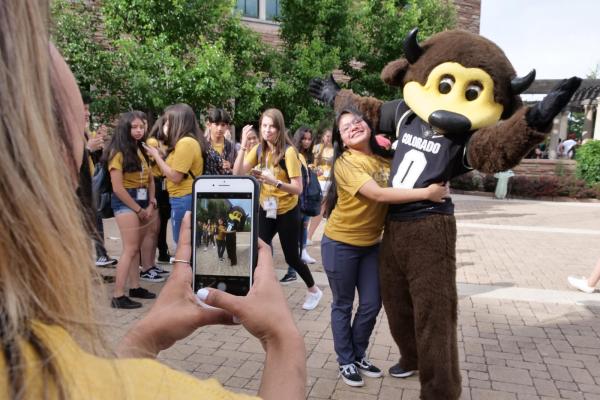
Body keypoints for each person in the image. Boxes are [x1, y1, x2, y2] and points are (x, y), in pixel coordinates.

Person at [0, 2, 306, 398]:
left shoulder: (185, 146)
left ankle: (131, 290)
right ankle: (125, 291)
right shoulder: (133, 389)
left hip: (180, 204)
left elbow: (176, 176)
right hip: (165, 205)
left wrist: (142, 341)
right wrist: (284, 339)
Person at [322, 109, 448, 387]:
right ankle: (346, 361)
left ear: (367, 125)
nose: (353, 127)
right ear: (342, 140)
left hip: (370, 245)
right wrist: (427, 194)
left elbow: (413, 174)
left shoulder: (385, 158)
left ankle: (357, 354)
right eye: (345, 128)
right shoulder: (345, 162)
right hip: (340, 244)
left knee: (371, 304)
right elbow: (378, 194)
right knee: (343, 305)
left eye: (357, 121)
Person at [233, 109, 323, 310]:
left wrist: (274, 182)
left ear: (279, 128)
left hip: (287, 210)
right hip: (266, 208)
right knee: (257, 250)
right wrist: (242, 145)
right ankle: (257, 293)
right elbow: (237, 172)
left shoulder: (289, 153)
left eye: (271, 126)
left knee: (291, 255)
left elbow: (298, 189)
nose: (267, 130)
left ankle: (314, 290)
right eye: (264, 126)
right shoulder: (258, 150)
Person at [104, 111, 160, 309]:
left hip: (144, 200)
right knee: (129, 249)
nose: (138, 131)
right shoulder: (117, 153)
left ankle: (135, 288)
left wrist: (152, 202)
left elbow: (151, 178)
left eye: (141, 127)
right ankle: (118, 295)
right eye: (134, 127)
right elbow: (118, 188)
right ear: (125, 128)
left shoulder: (142, 150)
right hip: (126, 202)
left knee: (135, 248)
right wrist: (138, 209)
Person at [144, 103, 206, 245]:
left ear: (177, 122)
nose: (165, 126)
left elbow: (175, 176)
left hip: (183, 197)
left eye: (167, 122)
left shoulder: (185, 143)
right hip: (182, 197)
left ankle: (184, 268)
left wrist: (157, 156)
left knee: (181, 242)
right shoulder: (185, 142)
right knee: (184, 241)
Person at [281, 126, 317, 284]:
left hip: (301, 201)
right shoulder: (295, 154)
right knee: (295, 238)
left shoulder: (301, 155)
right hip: (297, 200)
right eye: (304, 138)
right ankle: (294, 270)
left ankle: (292, 272)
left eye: (309, 139)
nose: (307, 141)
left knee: (295, 239)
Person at [146, 116, 173, 263]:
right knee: (156, 220)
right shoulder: (153, 141)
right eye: (169, 125)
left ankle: (163, 251)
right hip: (155, 183)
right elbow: (153, 158)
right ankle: (159, 252)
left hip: (166, 183)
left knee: (164, 218)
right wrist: (163, 154)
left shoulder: (170, 142)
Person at [307, 128, 334, 244]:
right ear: (323, 136)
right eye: (327, 136)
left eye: (331, 136)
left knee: (324, 209)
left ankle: (310, 236)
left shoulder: (336, 149)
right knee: (313, 208)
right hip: (317, 181)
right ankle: (306, 235)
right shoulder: (316, 148)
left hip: (330, 182)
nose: (329, 138)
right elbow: (310, 163)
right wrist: (314, 168)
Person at [204, 107, 238, 175]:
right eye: (216, 124)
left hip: (227, 184)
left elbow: (238, 172)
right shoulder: (202, 145)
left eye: (223, 125)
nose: (219, 128)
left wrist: (230, 167)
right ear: (209, 125)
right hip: (206, 183)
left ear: (227, 126)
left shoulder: (231, 147)